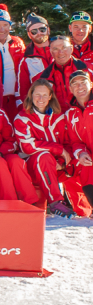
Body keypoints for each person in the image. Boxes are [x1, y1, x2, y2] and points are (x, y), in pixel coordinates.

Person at [14, 78, 75, 217]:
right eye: (37, 94)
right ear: (31, 95)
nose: (40, 98)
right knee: (44, 156)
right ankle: (56, 203)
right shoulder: (22, 118)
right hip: (33, 167)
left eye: (44, 95)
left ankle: (83, 205)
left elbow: (69, 143)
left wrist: (60, 161)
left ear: (50, 97)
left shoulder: (59, 117)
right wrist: (57, 149)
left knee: (82, 159)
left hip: (59, 166)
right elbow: (27, 147)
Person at [32, 36, 89, 112]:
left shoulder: (88, 70)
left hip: (84, 116)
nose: (60, 52)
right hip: (57, 119)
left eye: (64, 47)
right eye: (55, 49)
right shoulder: (42, 78)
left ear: (71, 49)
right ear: (51, 52)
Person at [66, 70, 93, 208]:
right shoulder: (70, 113)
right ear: (70, 89)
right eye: (75, 84)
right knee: (85, 167)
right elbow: (75, 141)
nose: (80, 87)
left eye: (83, 82)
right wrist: (81, 153)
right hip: (90, 161)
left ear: (91, 84)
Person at [16, 13, 53, 107]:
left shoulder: (62, 50)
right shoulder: (26, 60)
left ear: (48, 30)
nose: (39, 33)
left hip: (68, 107)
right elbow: (22, 92)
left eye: (42, 29)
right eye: (34, 31)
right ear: (29, 34)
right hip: (43, 109)